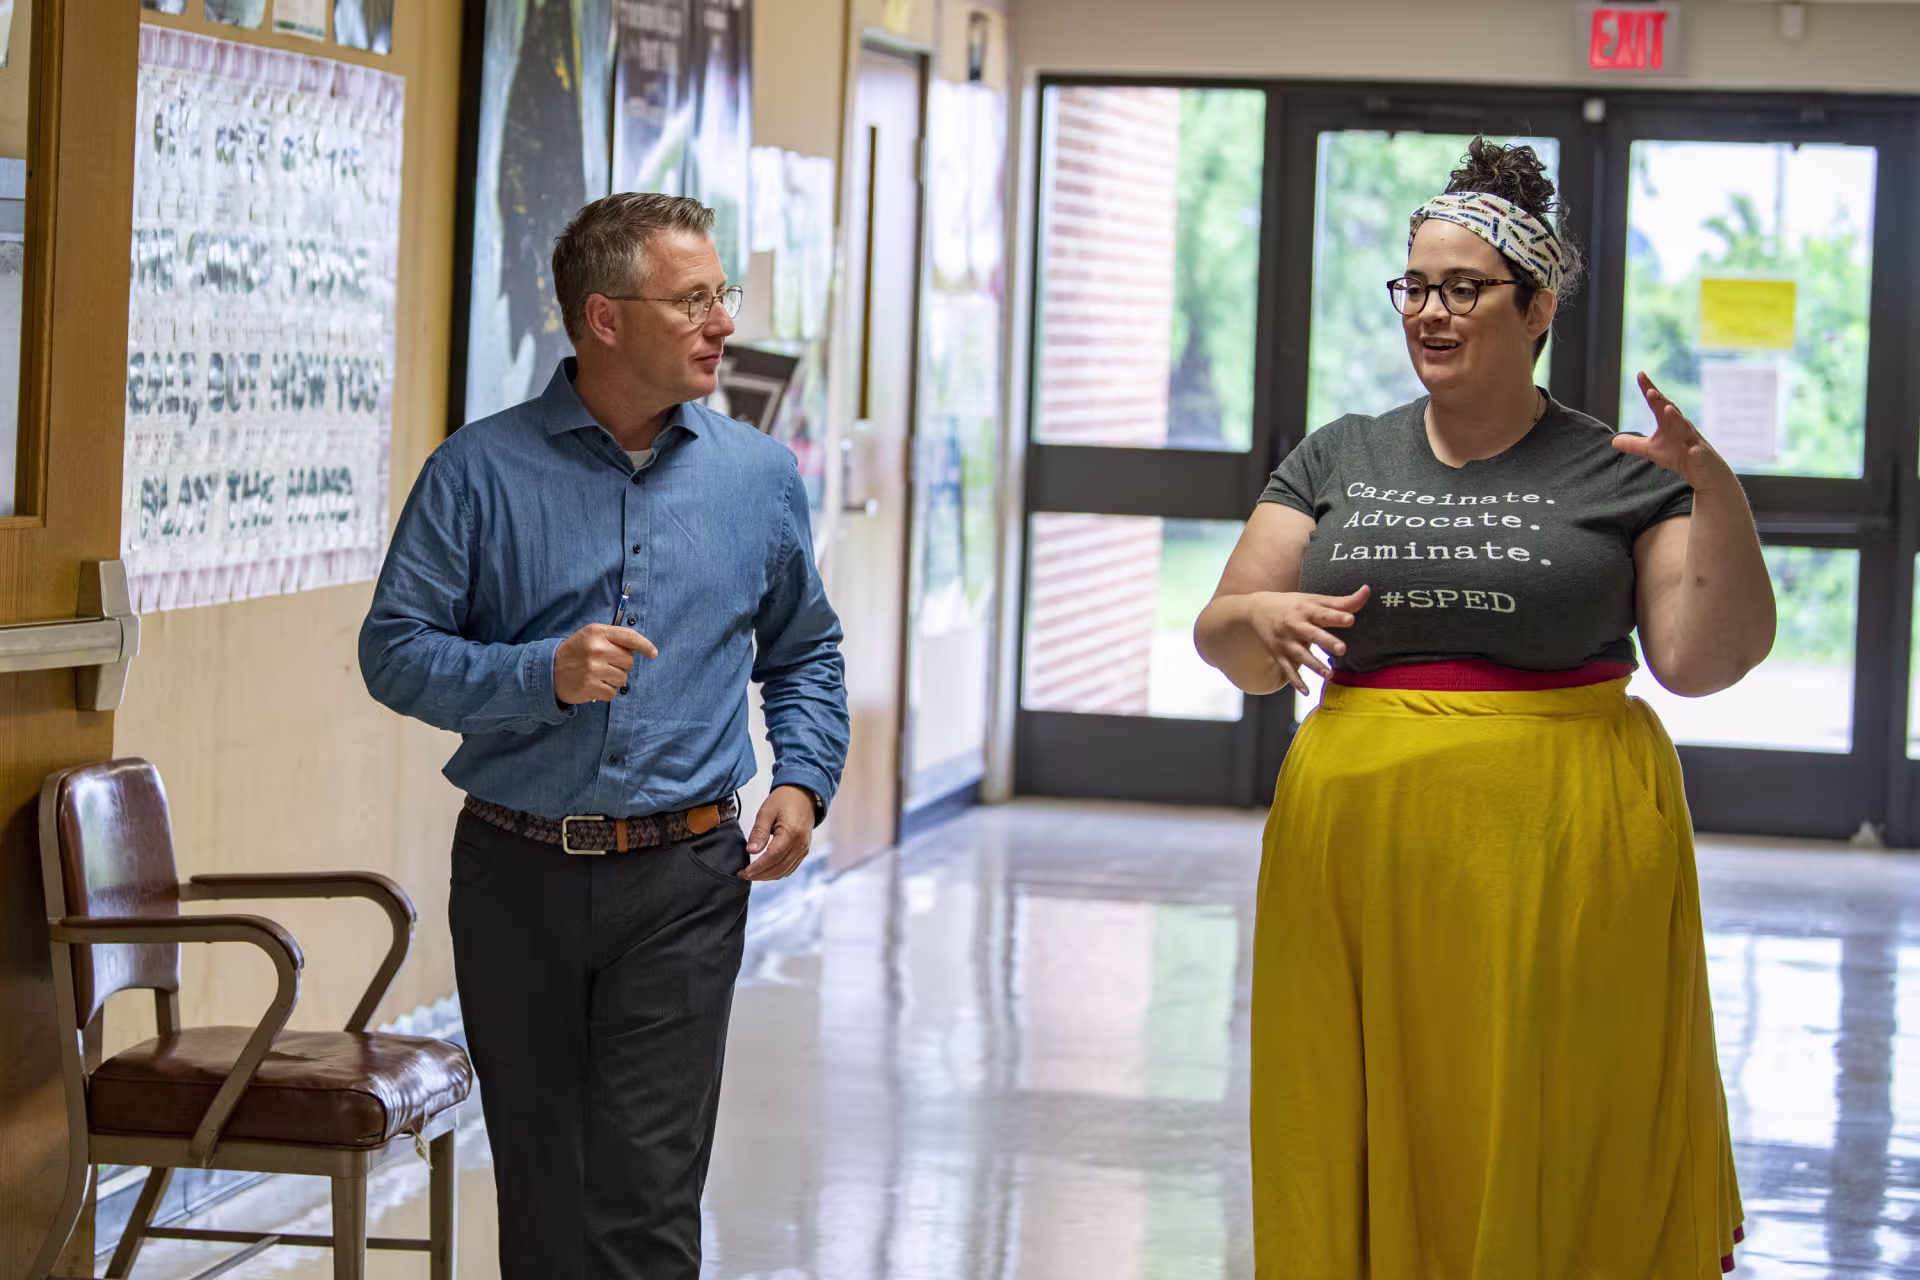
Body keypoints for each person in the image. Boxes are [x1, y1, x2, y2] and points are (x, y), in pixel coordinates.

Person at [1196, 139, 1772, 1276]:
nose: (1432, 312)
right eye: (1417, 285)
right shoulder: (1340, 454)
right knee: (1370, 1114)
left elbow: (1704, 658)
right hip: (1357, 865)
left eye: (1465, 288)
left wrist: (1718, 495)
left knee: (1554, 1115)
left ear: (1537, 303)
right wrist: (1254, 626)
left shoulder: (1619, 466)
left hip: (1564, 856)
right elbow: (1228, 632)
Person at [360, 193, 850, 1279]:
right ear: (605, 319)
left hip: (683, 875)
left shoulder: (759, 479)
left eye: (721, 294)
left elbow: (805, 651)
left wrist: (804, 779)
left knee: (645, 1199)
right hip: (514, 873)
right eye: (693, 300)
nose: (723, 320)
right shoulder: (477, 472)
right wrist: (543, 673)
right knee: (544, 1193)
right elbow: (392, 650)